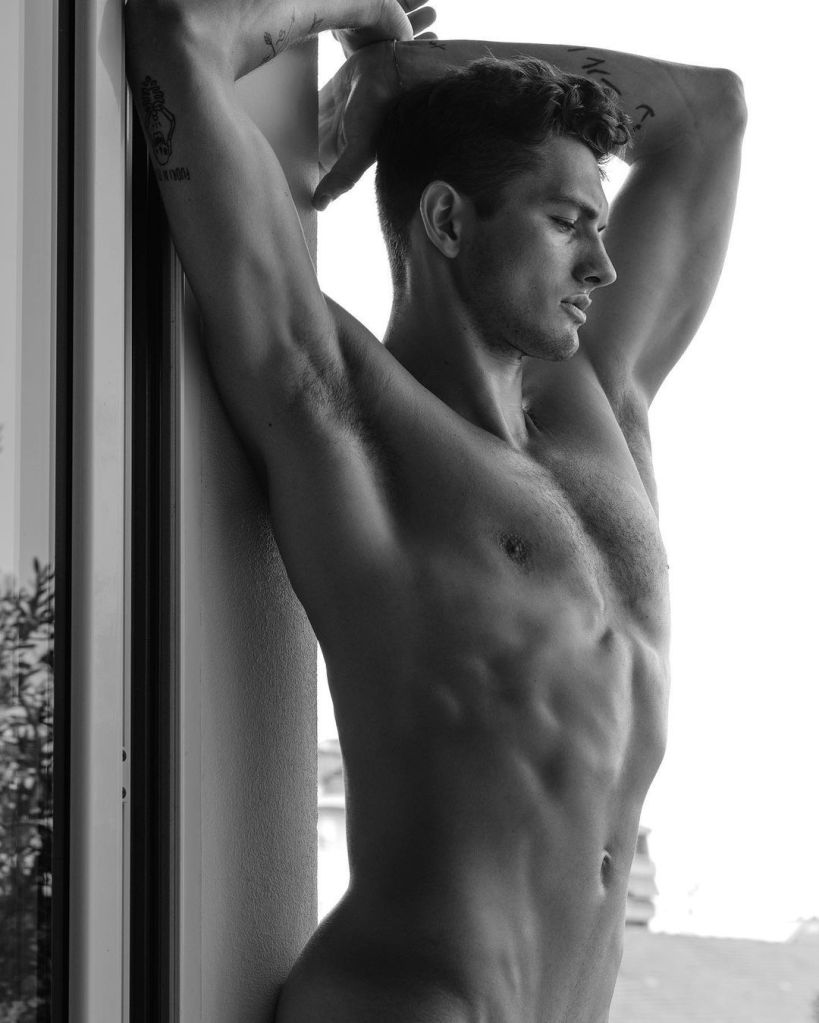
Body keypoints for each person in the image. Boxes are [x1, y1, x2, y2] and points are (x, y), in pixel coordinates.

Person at [125, 1, 745, 1019]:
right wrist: (361, 10)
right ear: (450, 222)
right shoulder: (344, 408)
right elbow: (179, 34)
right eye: (566, 223)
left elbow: (708, 115)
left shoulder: (604, 405)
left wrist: (414, 71)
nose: (602, 265)